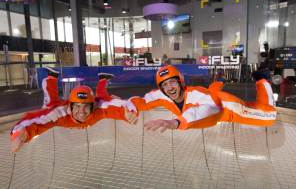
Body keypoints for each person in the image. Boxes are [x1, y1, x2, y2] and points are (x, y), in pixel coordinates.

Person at [128, 65, 277, 132]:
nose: (169, 88)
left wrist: (176, 122)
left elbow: (203, 110)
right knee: (210, 92)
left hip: (225, 107)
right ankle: (219, 81)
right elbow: (142, 102)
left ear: (181, 82)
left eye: (173, 82)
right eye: (165, 85)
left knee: (268, 116)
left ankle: (262, 79)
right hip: (210, 95)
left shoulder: (195, 94)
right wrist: (130, 108)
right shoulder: (161, 95)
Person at [11, 78, 137, 153]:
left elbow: (124, 105)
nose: (81, 112)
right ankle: (50, 79)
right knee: (50, 105)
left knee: (104, 98)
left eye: (86, 106)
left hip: (98, 100)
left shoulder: (99, 108)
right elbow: (36, 120)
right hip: (58, 108)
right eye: (77, 106)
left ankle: (102, 80)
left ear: (93, 106)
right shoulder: (60, 113)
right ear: (70, 107)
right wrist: (20, 134)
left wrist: (130, 112)